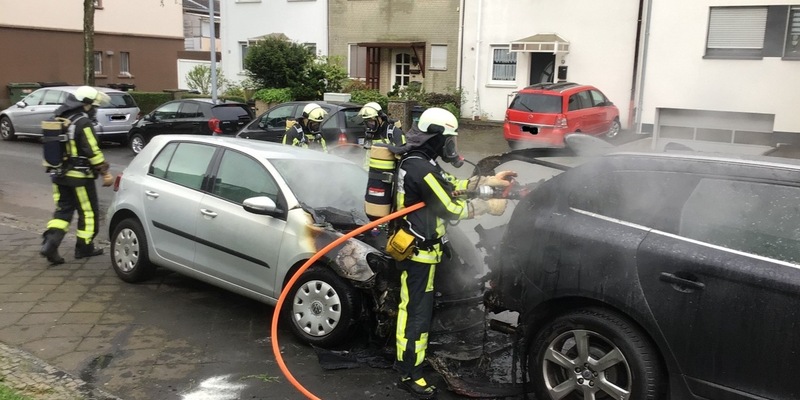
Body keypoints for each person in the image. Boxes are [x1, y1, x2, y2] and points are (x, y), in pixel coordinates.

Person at [388, 107, 514, 399]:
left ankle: (409, 364)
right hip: (419, 255)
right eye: (449, 140)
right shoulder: (422, 168)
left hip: (425, 252)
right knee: (415, 315)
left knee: (417, 312)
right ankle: (410, 374)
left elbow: (452, 186)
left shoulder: (421, 161)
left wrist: (488, 183)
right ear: (436, 137)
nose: (452, 147)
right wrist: (485, 206)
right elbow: (451, 207)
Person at [40, 86, 114, 264]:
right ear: (86, 105)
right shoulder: (83, 123)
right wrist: (105, 172)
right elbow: (92, 151)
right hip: (79, 178)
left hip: (58, 175)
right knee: (88, 213)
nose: (95, 109)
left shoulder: (58, 119)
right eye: (93, 105)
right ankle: (84, 247)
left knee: (63, 211)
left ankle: (50, 244)